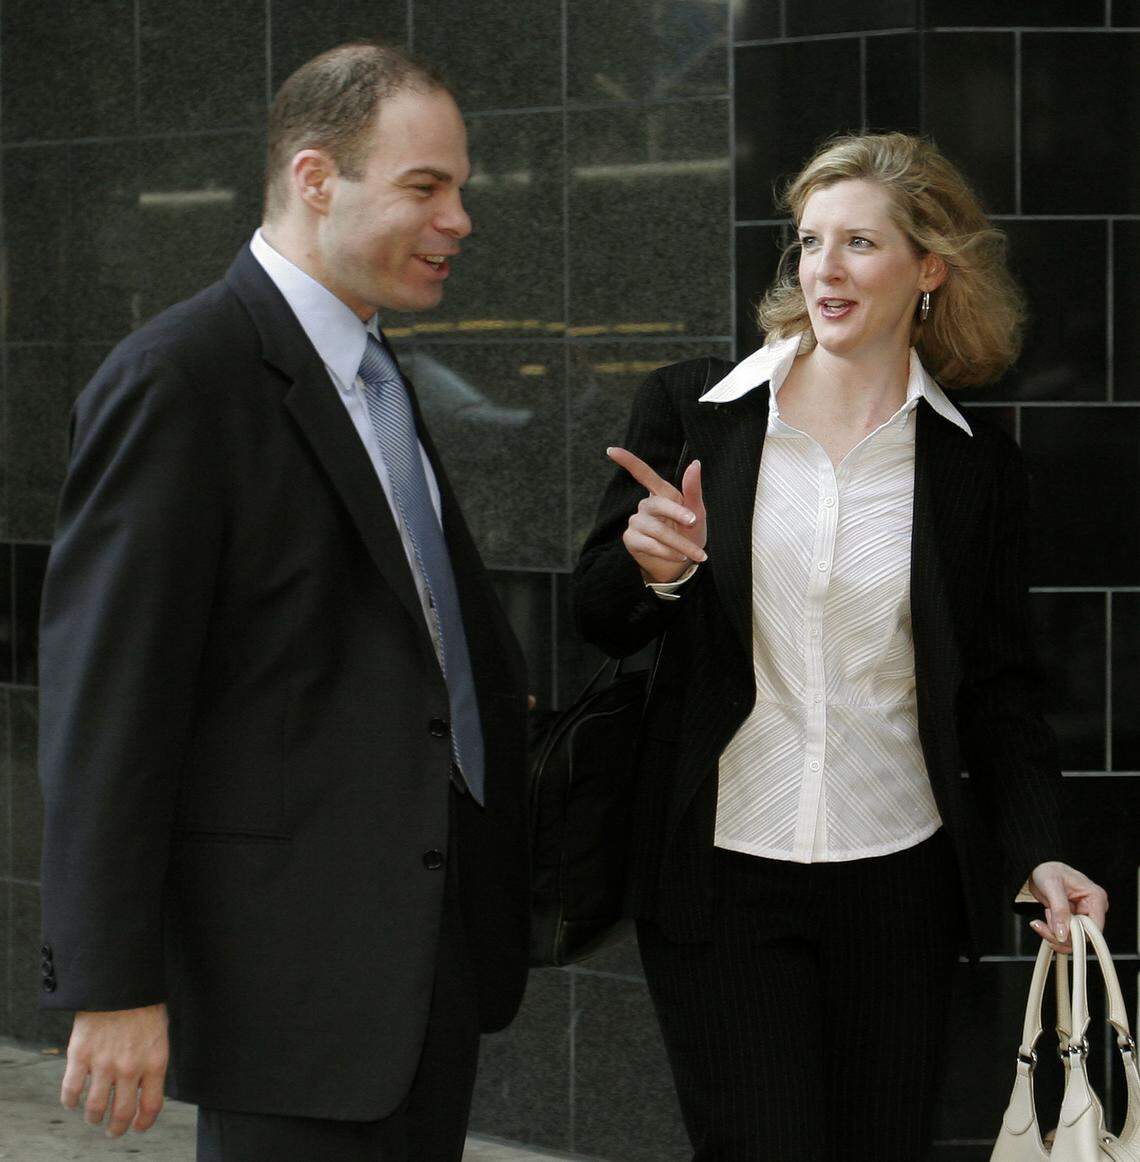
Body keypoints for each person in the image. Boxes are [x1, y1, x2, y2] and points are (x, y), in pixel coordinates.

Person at [572, 132, 1109, 1161]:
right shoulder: (699, 410)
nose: (824, 268)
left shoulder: (972, 467)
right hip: (719, 878)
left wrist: (1041, 846)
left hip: (899, 887)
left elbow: (1000, 689)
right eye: (810, 242)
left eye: (859, 242)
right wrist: (658, 568)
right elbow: (598, 617)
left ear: (929, 267)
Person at [37, 41, 530, 1162]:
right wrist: (112, 981)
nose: (459, 219)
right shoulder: (181, 377)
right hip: (285, 979)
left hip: (420, 962)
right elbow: (109, 703)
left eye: (461, 188)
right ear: (315, 178)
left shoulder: (376, 366)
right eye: (426, 187)